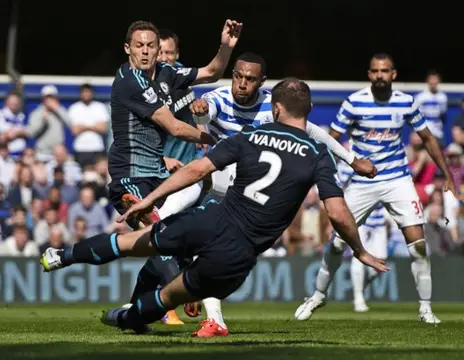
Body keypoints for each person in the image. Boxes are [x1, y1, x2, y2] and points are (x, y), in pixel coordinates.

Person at [39, 78, 389, 335]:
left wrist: (149, 199)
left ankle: (62, 256)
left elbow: (195, 169)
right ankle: (124, 317)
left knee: (131, 242)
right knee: (167, 297)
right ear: (309, 110)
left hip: (209, 219)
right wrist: (359, 250)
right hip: (237, 250)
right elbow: (338, 213)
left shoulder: (250, 136)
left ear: (276, 108)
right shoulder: (316, 156)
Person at [185, 51, 377, 337]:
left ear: (261, 82)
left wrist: (351, 160)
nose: (241, 83)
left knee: (216, 249)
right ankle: (206, 307)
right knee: (193, 200)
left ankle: (196, 292)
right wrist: (200, 110)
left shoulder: (274, 107)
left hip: (251, 193)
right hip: (224, 177)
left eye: (249, 79)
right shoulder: (219, 97)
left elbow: (314, 132)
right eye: (238, 76)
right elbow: (206, 109)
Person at [295, 53, 457, 324]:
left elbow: (427, 138)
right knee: (336, 243)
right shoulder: (354, 102)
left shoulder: (406, 102)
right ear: (369, 74)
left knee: (418, 245)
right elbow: (331, 138)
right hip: (361, 183)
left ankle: (426, 308)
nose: (380, 75)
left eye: (385, 71)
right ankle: (318, 295)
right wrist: (316, 169)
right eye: (375, 71)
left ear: (393, 74)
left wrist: (448, 174)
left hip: (398, 181)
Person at [106, 19, 241, 325]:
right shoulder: (130, 80)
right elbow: (175, 127)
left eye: (151, 46)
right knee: (162, 237)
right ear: (127, 49)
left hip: (161, 175)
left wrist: (226, 46)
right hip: (131, 175)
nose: (146, 52)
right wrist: (219, 142)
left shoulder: (167, 73)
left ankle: (134, 313)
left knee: (169, 240)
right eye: (139, 46)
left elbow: (211, 73)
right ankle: (187, 293)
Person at [336, 152, 388, 313]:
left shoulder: (385, 159)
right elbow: (339, 187)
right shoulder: (350, 161)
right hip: (358, 216)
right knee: (359, 256)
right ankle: (359, 298)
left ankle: (360, 290)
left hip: (378, 218)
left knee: (380, 262)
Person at [414, 71, 448, 146]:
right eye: (431, 79)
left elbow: (442, 114)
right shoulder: (420, 97)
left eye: (435, 79)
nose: (433, 82)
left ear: (439, 81)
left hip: (438, 133)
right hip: (423, 131)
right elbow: (415, 117)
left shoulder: (443, 97)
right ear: (427, 81)